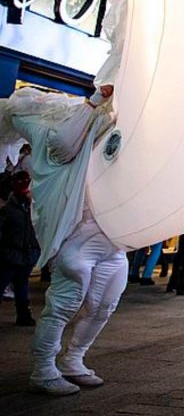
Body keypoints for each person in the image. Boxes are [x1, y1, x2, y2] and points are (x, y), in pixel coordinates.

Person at [4, 85, 120, 395]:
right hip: (77, 237)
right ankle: (43, 370)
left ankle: (74, 360)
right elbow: (64, 144)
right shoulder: (49, 135)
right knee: (63, 306)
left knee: (104, 304)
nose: (51, 100)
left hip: (112, 238)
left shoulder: (93, 127)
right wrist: (92, 103)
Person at [0, 171, 40, 326]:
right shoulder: (11, 211)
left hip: (23, 254)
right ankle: (24, 315)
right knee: (10, 283)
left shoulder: (17, 210)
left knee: (21, 284)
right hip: (14, 254)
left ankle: (24, 315)